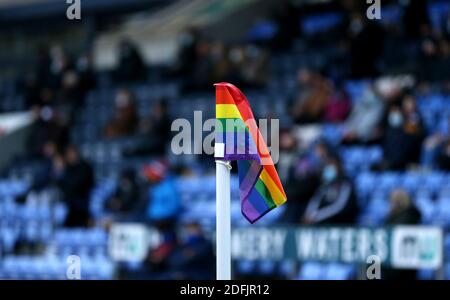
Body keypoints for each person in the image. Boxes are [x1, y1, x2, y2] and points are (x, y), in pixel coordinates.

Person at [302, 155, 358, 225]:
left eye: (332, 165)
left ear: (339, 166)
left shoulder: (345, 184)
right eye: (328, 165)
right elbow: (315, 200)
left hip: (341, 223)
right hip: (321, 223)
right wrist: (309, 214)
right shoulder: (325, 184)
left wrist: (317, 217)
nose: (329, 168)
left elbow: (339, 206)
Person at [383, 189, 421, 280]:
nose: (393, 203)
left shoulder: (409, 214)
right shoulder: (392, 215)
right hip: (393, 257)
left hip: (405, 258)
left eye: (396, 200)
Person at [55, 146, 94, 227]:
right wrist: (59, 171)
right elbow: (59, 185)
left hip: (81, 201)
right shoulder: (67, 168)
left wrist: (63, 175)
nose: (70, 156)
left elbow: (76, 185)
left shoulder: (85, 167)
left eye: (72, 154)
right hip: (68, 201)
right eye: (68, 154)